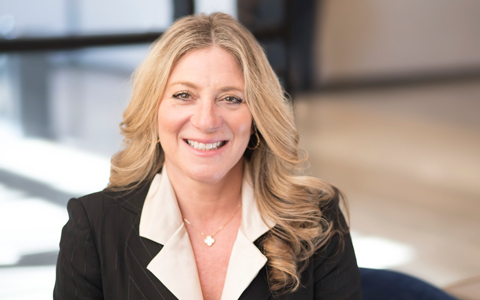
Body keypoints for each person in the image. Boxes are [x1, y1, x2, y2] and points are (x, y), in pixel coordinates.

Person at [54, 13, 362, 300]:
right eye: (183, 95)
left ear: (257, 117)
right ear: (153, 110)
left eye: (230, 98)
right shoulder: (94, 226)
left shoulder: (317, 219)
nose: (206, 121)